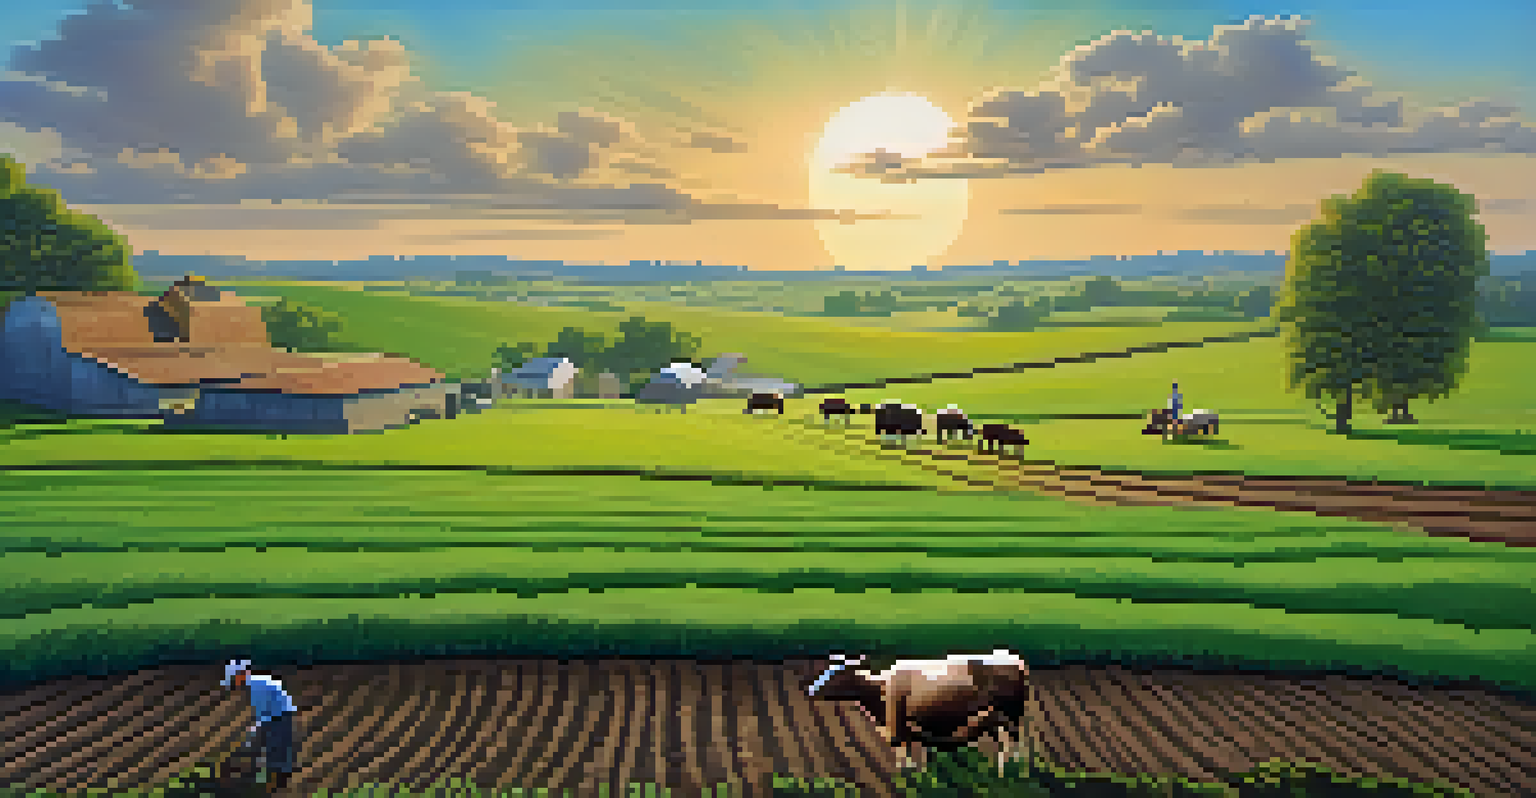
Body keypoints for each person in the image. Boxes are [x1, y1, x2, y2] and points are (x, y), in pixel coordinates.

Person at [222, 659, 298, 790]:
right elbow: (263, 711)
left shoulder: (256, 686)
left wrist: (256, 728)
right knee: (274, 745)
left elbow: (264, 710)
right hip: (278, 713)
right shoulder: (256, 683)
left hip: (280, 714)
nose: (235, 685)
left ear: (241, 675)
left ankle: (278, 780)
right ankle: (274, 776)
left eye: (234, 680)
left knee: (275, 745)